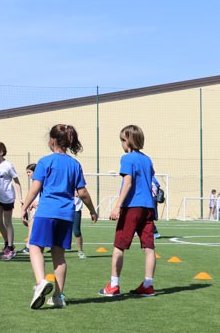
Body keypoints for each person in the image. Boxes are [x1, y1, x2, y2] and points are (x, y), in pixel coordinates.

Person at [21, 125, 98, 309]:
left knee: (35, 247)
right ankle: (58, 296)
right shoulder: (74, 164)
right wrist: (92, 210)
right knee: (59, 255)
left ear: (52, 140)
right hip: (66, 215)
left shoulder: (44, 162)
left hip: (46, 212)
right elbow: (83, 192)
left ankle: (41, 282)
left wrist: (24, 207)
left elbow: (35, 188)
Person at [100, 125, 158, 298]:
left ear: (129, 141)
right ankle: (148, 285)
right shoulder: (147, 160)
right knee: (149, 247)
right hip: (148, 207)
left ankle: (113, 285)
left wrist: (118, 205)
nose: (122, 144)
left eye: (122, 140)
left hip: (132, 206)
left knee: (119, 246)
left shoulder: (127, 158)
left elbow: (128, 182)